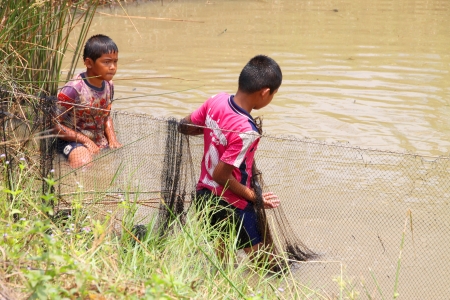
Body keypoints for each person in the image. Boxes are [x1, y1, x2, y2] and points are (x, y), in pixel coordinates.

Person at [179, 55, 282, 267]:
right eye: (273, 94)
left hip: (204, 198)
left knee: (223, 262)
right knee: (264, 265)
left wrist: (215, 131)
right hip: (234, 205)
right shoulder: (247, 131)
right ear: (264, 92)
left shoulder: (216, 100)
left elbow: (184, 126)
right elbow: (221, 175)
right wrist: (257, 198)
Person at [53, 34, 122, 168]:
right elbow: (54, 126)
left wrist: (113, 139)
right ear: (89, 63)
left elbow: (106, 115)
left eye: (115, 61)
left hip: (96, 139)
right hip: (71, 140)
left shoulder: (109, 85)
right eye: (107, 62)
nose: (113, 67)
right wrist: (85, 141)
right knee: (83, 163)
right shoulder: (73, 89)